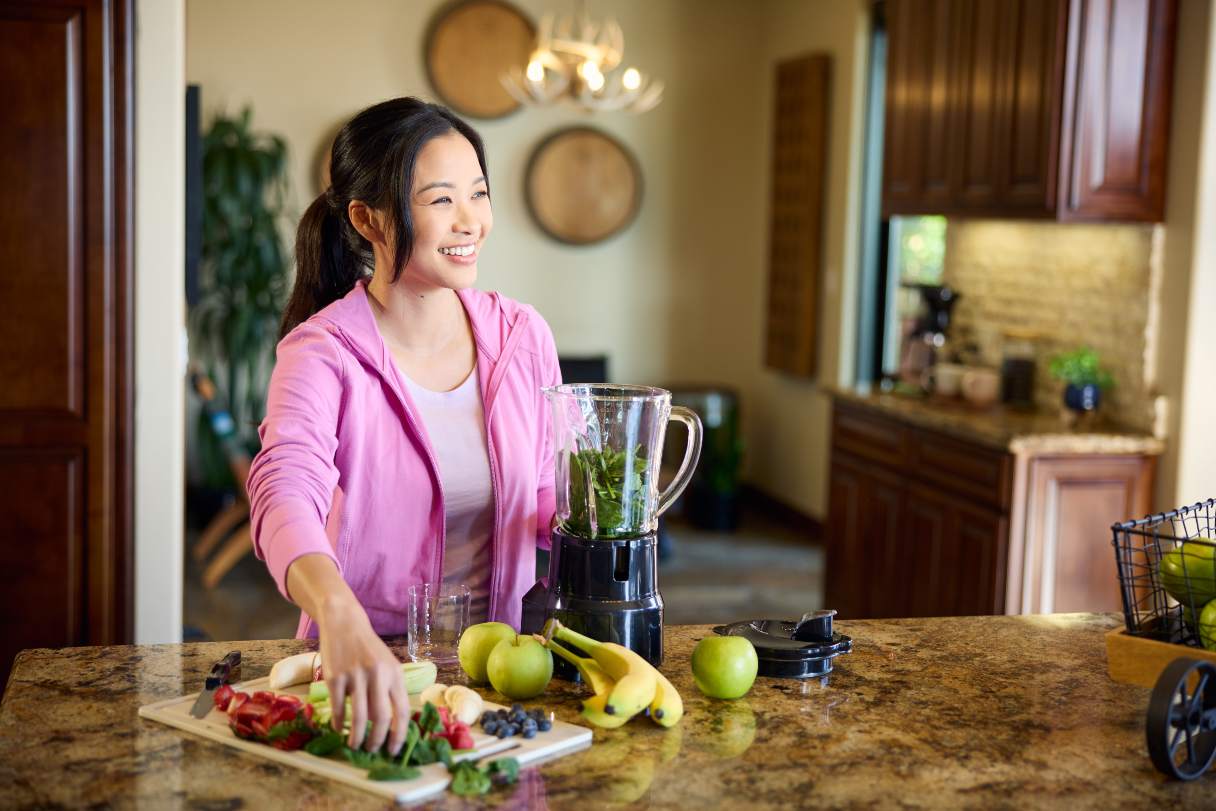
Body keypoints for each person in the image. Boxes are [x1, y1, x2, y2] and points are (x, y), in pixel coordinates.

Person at [246, 97, 560, 756]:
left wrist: (603, 534)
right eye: (441, 199)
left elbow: (549, 495)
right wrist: (337, 613)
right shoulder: (322, 352)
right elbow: (283, 492)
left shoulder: (522, 335)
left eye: (478, 192)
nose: (471, 219)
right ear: (368, 219)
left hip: (497, 675)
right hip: (363, 672)